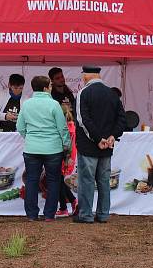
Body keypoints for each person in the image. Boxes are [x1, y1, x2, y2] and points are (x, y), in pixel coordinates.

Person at [73, 66, 126, 224]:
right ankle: (103, 214)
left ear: (86, 76)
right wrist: (112, 136)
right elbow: (122, 119)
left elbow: (83, 120)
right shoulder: (112, 93)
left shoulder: (84, 92)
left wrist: (98, 138)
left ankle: (86, 215)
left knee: (87, 181)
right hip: (107, 146)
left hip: (89, 145)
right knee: (104, 181)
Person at [16, 75, 71, 222]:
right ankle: (49, 214)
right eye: (50, 86)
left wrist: (29, 137)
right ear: (46, 88)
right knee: (53, 181)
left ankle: (32, 214)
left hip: (32, 148)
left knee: (31, 180)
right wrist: (67, 144)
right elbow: (62, 128)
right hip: (53, 148)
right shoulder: (53, 104)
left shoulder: (26, 104)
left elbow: (20, 127)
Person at [55, 106, 78, 218]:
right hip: (69, 156)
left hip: (64, 156)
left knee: (58, 180)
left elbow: (64, 144)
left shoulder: (64, 128)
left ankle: (64, 207)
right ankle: (72, 202)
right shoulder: (72, 125)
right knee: (59, 180)